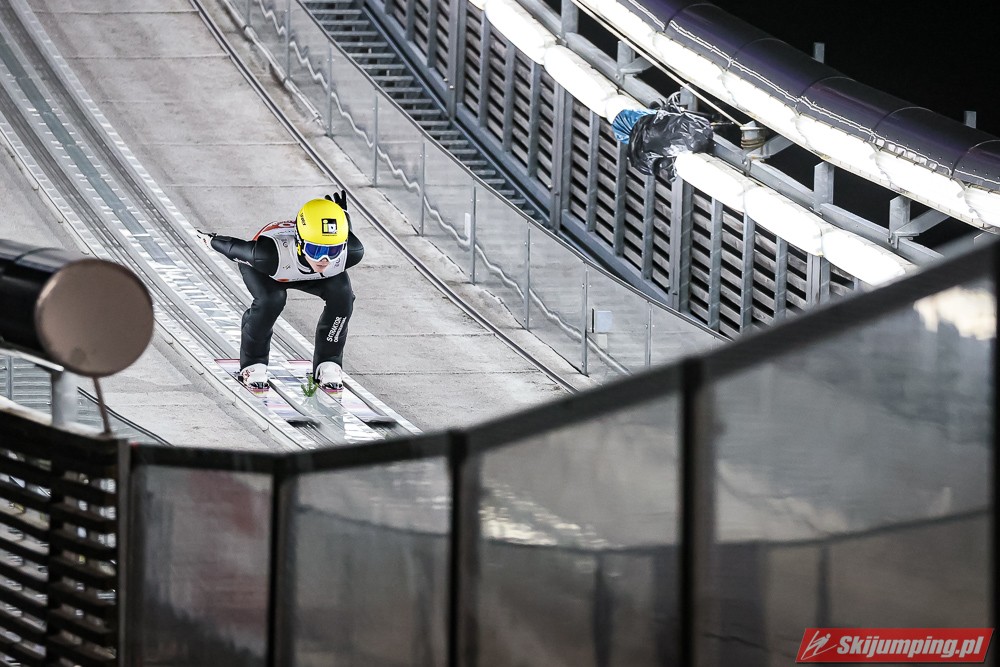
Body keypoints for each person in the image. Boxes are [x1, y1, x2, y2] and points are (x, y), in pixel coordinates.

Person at [196, 191, 363, 391]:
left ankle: (329, 361)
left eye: (333, 251)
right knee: (272, 300)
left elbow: (344, 236)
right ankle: (253, 363)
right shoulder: (267, 255)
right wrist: (211, 240)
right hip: (269, 271)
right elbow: (234, 249)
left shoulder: (351, 252)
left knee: (343, 296)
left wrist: (342, 217)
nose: (324, 260)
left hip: (310, 274)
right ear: (300, 244)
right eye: (316, 250)